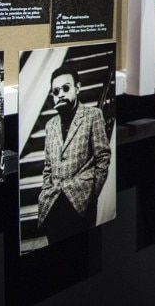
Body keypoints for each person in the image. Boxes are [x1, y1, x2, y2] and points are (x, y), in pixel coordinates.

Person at [37, 64, 111, 245]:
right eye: (55, 91)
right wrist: (46, 189)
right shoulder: (50, 125)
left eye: (65, 88)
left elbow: (103, 157)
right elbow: (48, 166)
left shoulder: (93, 115)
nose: (60, 94)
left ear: (77, 88)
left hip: (80, 202)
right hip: (52, 204)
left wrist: (92, 194)